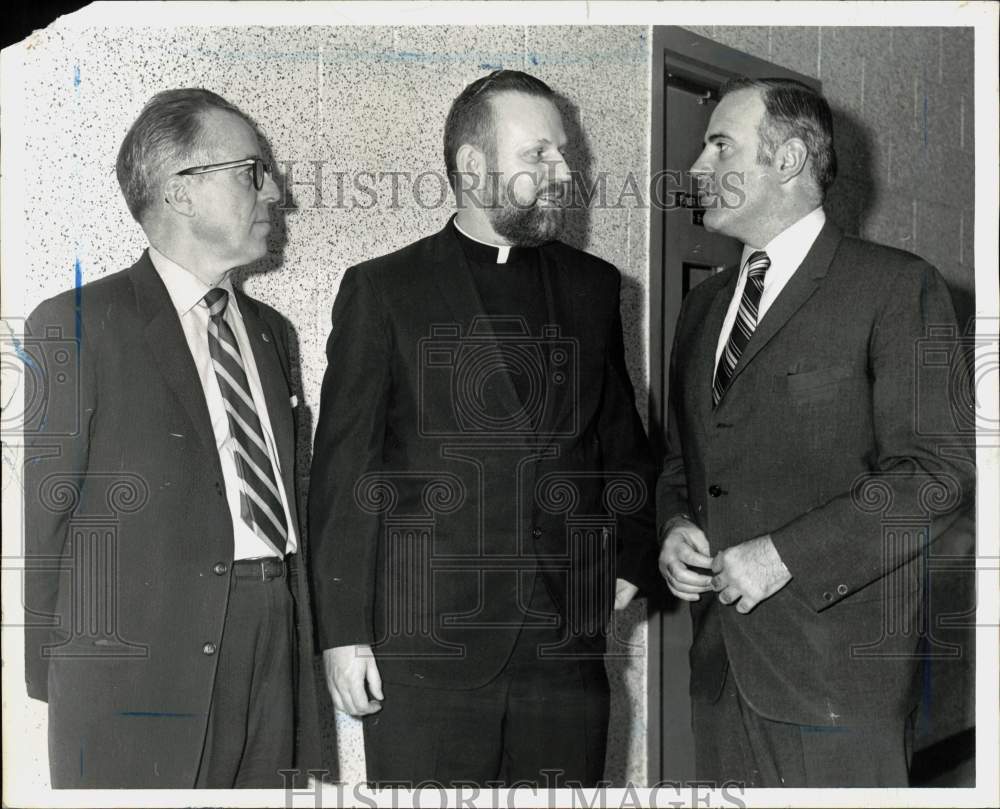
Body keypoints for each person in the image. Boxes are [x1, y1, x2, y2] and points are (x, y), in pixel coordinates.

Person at [308, 69, 659, 787]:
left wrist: (629, 554)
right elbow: (344, 475)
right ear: (474, 167)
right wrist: (342, 632)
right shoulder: (384, 290)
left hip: (565, 649)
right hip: (427, 652)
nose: (565, 173)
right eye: (540, 156)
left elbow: (620, 440)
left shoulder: (596, 288)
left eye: (563, 154)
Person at [656, 76, 974, 787]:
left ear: (790, 158)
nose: (697, 170)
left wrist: (782, 555)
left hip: (837, 686)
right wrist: (673, 522)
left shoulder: (895, 286)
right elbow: (683, 461)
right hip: (720, 675)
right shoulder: (703, 308)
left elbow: (936, 473)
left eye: (718, 146)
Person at [22, 88, 321, 788]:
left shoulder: (274, 334)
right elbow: (49, 520)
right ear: (181, 192)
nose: (274, 190)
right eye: (252, 170)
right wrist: (59, 682)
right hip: (143, 678)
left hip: (274, 641)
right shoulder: (75, 323)